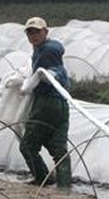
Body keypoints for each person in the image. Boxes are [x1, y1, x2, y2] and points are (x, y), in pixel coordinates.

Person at [19, 16, 72, 188]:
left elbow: (56, 61)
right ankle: (64, 187)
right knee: (59, 147)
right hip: (61, 104)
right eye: (30, 32)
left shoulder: (47, 50)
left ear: (46, 32)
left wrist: (50, 76)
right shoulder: (39, 50)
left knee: (28, 146)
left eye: (37, 32)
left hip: (46, 104)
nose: (33, 36)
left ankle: (42, 178)